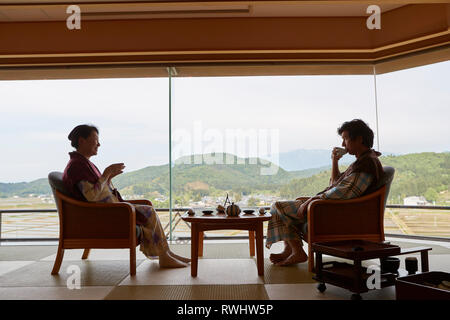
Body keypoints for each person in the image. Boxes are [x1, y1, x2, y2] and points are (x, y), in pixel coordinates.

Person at [62, 124, 190, 268]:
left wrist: (108, 178)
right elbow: (92, 196)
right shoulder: (77, 166)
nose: (99, 144)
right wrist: (106, 174)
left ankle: (165, 253)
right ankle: (163, 255)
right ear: (82, 141)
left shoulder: (83, 164)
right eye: (95, 140)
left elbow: (98, 192)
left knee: (147, 206)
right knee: (148, 211)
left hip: (106, 211)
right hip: (103, 216)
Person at [266, 119, 384, 266]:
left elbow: (342, 193)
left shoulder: (367, 164)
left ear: (359, 139)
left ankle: (297, 252)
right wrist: (334, 161)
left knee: (277, 207)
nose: (343, 144)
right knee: (281, 208)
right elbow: (335, 184)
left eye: (345, 139)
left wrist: (311, 201)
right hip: (330, 207)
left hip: (332, 212)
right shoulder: (361, 161)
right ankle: (290, 249)